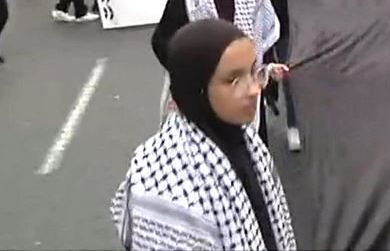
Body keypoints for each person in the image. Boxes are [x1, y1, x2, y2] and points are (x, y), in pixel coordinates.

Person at [112, 19, 297, 250]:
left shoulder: (246, 141)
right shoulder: (167, 189)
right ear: (196, 89)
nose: (254, 89)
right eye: (233, 80)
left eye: (253, 72)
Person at [152, 0, 281, 144]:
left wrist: (267, 69)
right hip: (203, 95)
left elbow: (263, 38)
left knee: (250, 157)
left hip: (246, 92)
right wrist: (192, 78)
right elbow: (163, 42)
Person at [234, 0, 301, 152]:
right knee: (256, 76)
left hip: (283, 23)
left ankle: (293, 125)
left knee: (288, 73)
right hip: (253, 29)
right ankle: (257, 129)